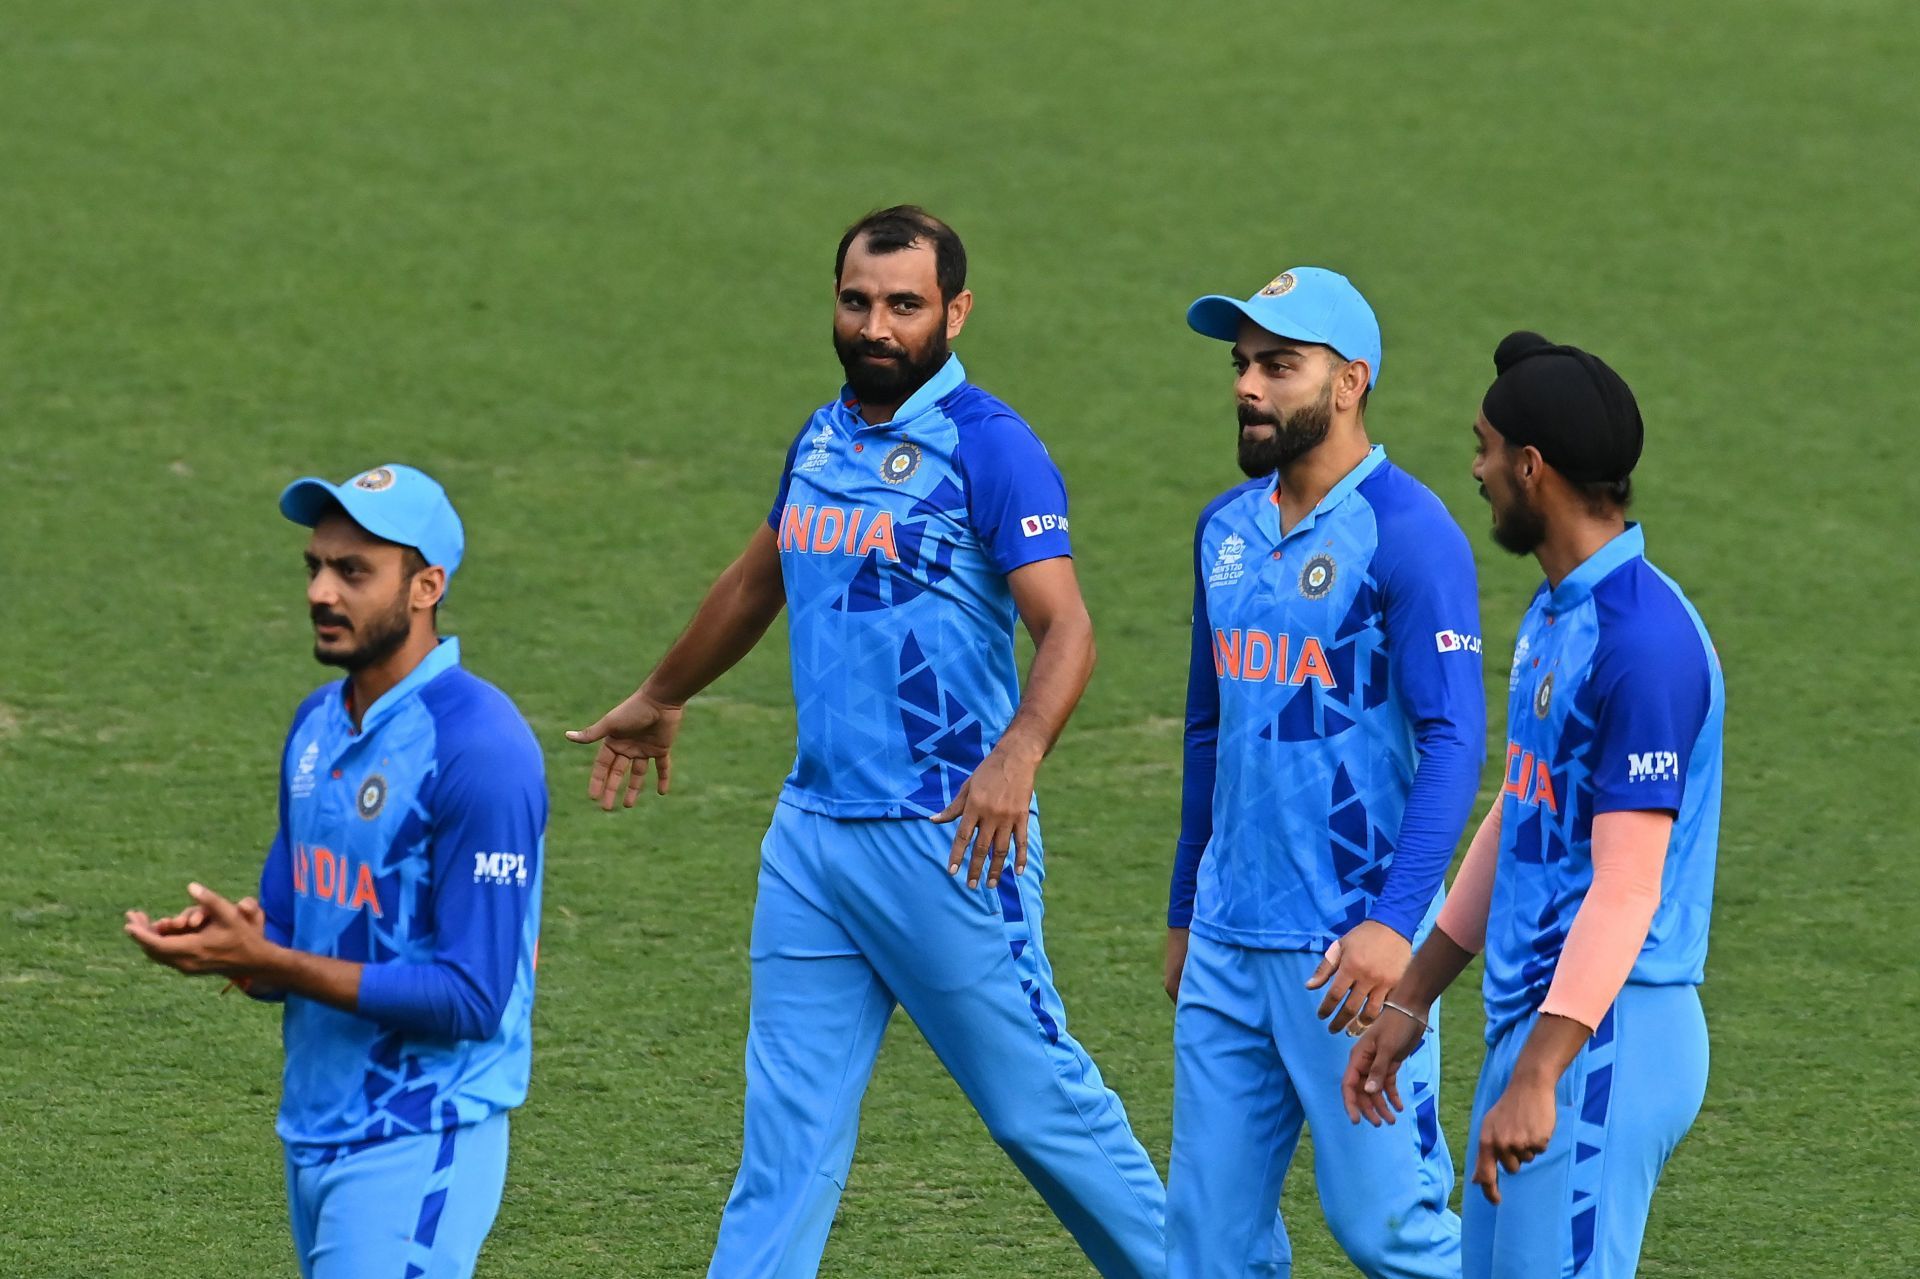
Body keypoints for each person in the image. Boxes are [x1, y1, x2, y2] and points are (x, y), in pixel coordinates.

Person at [568, 206, 1166, 1278]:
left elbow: (1067, 627)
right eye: (858, 302)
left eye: (903, 305)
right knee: (784, 1144)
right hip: (813, 839)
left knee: (1043, 1113)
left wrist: (1018, 756)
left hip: (946, 840)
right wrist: (664, 692)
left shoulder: (989, 443)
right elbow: (762, 577)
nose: (876, 326)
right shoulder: (822, 436)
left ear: (955, 311)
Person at [1344, 332, 1723, 1279]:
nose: (1473, 469)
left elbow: (1627, 889)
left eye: (1483, 447)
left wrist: (1546, 1071)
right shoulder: (1560, 614)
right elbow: (1522, 816)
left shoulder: (1644, 644)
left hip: (1608, 1032)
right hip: (1545, 1019)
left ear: (1531, 466)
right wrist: (1414, 995)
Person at [124, 464, 547, 1279]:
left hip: (421, 1131)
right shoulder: (316, 726)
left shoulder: (481, 749)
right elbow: (290, 931)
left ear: (426, 586)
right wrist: (237, 948)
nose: (322, 591)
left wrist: (272, 960)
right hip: (315, 1123)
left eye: (353, 572)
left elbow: (472, 996)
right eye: (315, 567)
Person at [1165, 267, 1485, 1278]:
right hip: (1226, 943)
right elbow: (1206, 732)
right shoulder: (1224, 528)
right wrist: (1184, 909)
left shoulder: (1410, 532)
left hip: (1348, 956)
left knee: (1391, 1231)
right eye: (1244, 364)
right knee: (1207, 1252)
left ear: (1350, 383)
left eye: (1279, 367)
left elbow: (1455, 742)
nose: (1249, 388)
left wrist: (1394, 927)